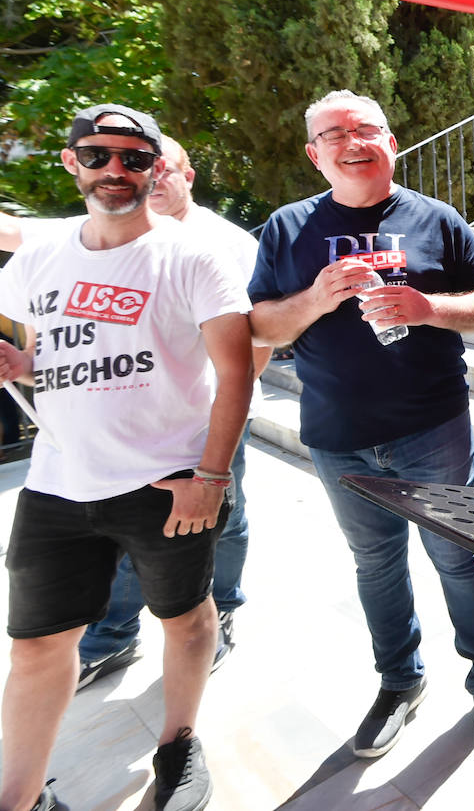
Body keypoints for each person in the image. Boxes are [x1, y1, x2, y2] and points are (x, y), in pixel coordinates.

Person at [247, 90, 474, 759]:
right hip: (337, 436)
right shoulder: (287, 228)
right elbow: (260, 324)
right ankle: (399, 682)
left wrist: (429, 307)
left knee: (459, 555)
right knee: (376, 564)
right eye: (334, 133)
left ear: (390, 141)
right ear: (315, 154)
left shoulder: (437, 220)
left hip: (432, 425)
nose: (353, 140)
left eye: (366, 127)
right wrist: (313, 299)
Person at [0, 104, 253, 811]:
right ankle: (18, 798)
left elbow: (235, 374)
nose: (116, 170)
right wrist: (18, 363)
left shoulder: (191, 254)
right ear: (71, 161)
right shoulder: (37, 260)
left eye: (134, 158)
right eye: (99, 154)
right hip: (57, 482)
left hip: (166, 482)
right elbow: (48, 359)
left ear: (157, 168)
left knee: (186, 618)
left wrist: (210, 478)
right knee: (36, 647)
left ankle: (178, 742)